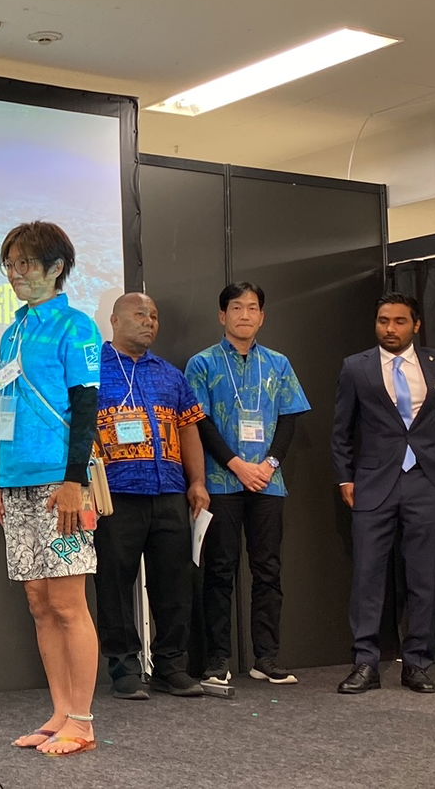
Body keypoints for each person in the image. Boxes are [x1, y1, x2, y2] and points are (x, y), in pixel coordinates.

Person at [0, 221, 103, 758]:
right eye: (10, 264)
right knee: (38, 600)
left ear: (57, 268)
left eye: (26, 264)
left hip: (60, 480)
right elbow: (3, 404)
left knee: (68, 601)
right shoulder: (12, 332)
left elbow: (86, 405)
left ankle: (82, 719)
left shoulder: (76, 326)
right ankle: (59, 712)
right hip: (16, 478)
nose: (16, 274)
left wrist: (75, 480)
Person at [331, 292, 435, 695]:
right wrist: (345, 478)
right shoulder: (356, 367)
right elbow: (341, 430)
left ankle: (417, 662)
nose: (390, 328)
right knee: (368, 575)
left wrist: (429, 452)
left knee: (423, 575)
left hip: (424, 481)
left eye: (399, 321)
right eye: (383, 320)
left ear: (416, 325)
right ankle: (365, 663)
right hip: (373, 483)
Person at [184, 282, 311, 686]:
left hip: (268, 483)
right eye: (236, 308)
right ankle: (217, 660)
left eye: (252, 308)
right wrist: (237, 465)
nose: (244, 315)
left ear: (262, 316)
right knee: (220, 571)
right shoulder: (202, 364)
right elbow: (199, 422)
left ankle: (266, 658)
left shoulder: (278, 363)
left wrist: (269, 465)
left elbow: (289, 418)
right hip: (221, 482)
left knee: (268, 570)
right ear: (222, 316)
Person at [94, 292, 210, 700]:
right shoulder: (92, 370)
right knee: (114, 585)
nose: (149, 322)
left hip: (169, 492)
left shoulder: (171, 375)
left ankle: (170, 666)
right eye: (140, 314)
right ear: (114, 320)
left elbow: (189, 428)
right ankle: (124, 668)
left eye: (155, 316)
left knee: (175, 585)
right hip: (116, 494)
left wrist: (197, 482)